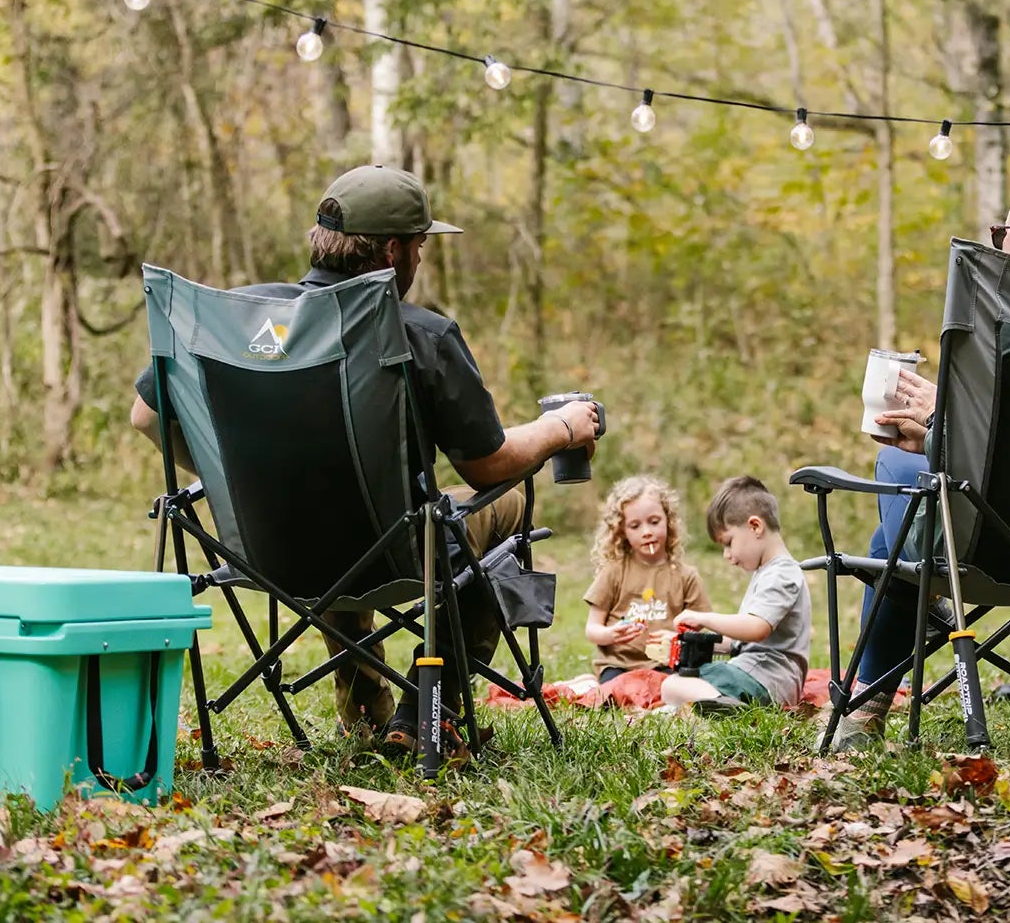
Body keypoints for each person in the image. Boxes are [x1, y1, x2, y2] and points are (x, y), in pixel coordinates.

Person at [128, 164, 602, 754]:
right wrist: (560, 428)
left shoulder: (237, 319)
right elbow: (488, 466)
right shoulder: (421, 335)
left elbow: (145, 416)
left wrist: (238, 479)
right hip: (391, 554)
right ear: (394, 251)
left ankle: (366, 710)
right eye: (421, 246)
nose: (421, 258)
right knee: (501, 508)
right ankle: (432, 707)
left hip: (264, 550)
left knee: (332, 514)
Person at [825, 176, 1010, 751]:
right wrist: (941, 431)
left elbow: (999, 470)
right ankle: (876, 690)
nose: (1000, 241)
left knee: (894, 486)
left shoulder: (1003, 330)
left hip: (984, 551)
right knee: (905, 514)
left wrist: (939, 418)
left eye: (1004, 232)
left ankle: (870, 700)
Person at [661, 476, 811, 711]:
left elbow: (756, 629)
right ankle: (713, 705)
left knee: (673, 685)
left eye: (729, 543)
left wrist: (705, 618)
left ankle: (729, 709)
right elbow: (742, 641)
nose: (727, 555)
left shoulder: (781, 574)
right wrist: (690, 641)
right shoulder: (767, 572)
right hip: (759, 675)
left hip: (767, 679)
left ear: (755, 526)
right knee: (679, 684)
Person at [584, 475, 712, 683]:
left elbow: (701, 629)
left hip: (667, 666)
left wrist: (679, 639)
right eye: (635, 526)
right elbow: (592, 629)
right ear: (622, 531)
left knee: (677, 690)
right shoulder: (614, 571)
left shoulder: (686, 576)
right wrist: (610, 634)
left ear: (668, 521)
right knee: (616, 694)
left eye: (654, 522)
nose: (647, 532)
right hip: (619, 666)